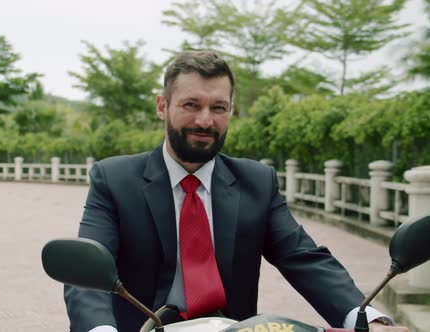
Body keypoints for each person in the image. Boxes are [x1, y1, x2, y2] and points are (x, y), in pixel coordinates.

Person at [64, 51, 402, 332]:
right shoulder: (114, 179)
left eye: (219, 108)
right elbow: (87, 273)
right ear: (162, 106)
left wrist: (367, 318)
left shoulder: (257, 181)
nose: (205, 121)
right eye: (191, 105)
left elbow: (303, 258)